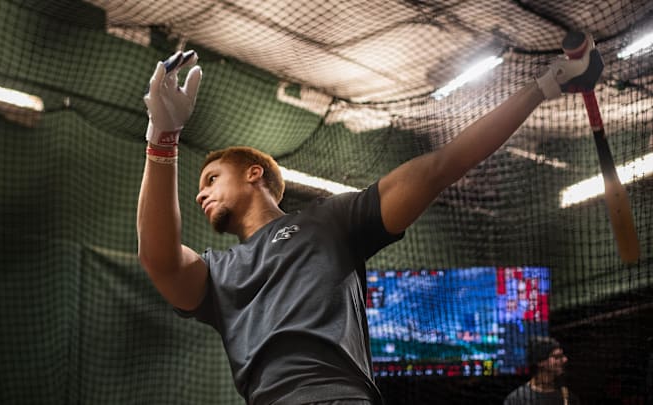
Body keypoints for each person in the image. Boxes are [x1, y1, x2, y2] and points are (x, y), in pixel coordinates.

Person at [137, 35, 602, 405]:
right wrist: (162, 140)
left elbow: (441, 166)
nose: (201, 192)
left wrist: (549, 83)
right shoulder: (218, 272)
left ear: (253, 174)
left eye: (213, 177)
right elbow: (159, 257)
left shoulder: (331, 221)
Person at [503, 337, 580, 405]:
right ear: (541, 362)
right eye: (557, 357)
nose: (565, 360)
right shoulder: (517, 399)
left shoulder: (568, 398)